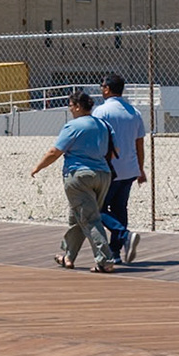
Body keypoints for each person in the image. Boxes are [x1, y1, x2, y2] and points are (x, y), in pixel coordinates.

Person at [30, 90, 122, 272]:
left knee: (89, 218)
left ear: (78, 106)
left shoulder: (72, 126)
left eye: (71, 105)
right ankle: (69, 257)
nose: (69, 108)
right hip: (103, 174)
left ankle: (105, 260)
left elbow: (55, 152)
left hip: (78, 175)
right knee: (77, 217)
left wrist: (37, 167)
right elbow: (115, 148)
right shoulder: (103, 124)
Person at [93, 73, 148, 265]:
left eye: (102, 86)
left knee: (97, 209)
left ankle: (124, 236)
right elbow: (139, 143)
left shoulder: (101, 112)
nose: (101, 89)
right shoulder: (134, 112)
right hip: (130, 168)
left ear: (107, 89)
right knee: (120, 208)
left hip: (109, 169)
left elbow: (97, 141)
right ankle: (115, 252)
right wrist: (141, 169)